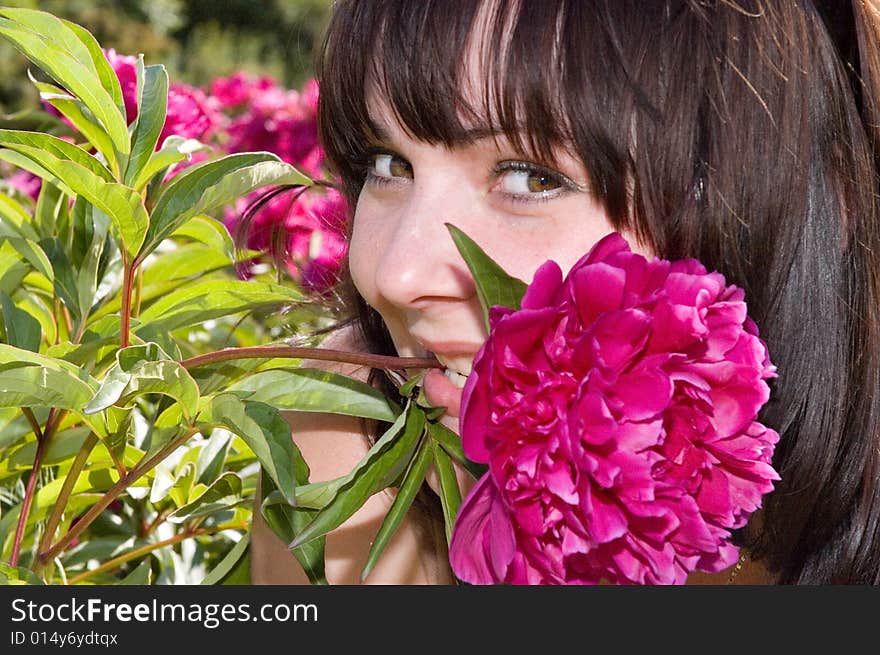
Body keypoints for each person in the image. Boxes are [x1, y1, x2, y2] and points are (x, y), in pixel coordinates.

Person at [250, 0, 880, 585]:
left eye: (530, 175)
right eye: (389, 165)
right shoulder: (338, 441)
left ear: (812, 202)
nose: (394, 274)